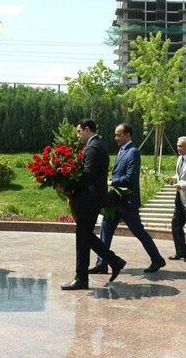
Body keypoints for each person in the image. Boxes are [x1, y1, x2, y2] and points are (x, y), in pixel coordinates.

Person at [89, 123, 166, 275]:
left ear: (128, 135)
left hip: (127, 202)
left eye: (118, 135)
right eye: (115, 134)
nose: (115, 138)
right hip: (115, 201)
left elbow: (130, 178)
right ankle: (102, 263)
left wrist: (111, 182)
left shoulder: (133, 152)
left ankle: (157, 259)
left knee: (139, 232)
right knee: (105, 229)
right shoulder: (122, 151)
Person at [61, 119, 126, 290]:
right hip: (94, 198)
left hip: (89, 199)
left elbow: (88, 175)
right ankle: (114, 261)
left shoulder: (93, 146)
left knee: (83, 236)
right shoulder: (98, 145)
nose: (77, 135)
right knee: (85, 235)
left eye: (78, 131)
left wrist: (68, 187)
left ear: (87, 129)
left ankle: (82, 278)